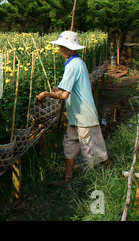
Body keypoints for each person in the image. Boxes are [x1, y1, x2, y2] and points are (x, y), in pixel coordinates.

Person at [35, 31, 109, 187]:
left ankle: (100, 182)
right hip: (75, 116)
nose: (59, 49)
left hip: (84, 117)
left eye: (62, 46)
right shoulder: (74, 63)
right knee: (69, 146)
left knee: (94, 152)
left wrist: (46, 94)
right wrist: (56, 90)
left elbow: (64, 95)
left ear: (69, 48)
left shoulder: (74, 65)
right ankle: (67, 180)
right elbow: (65, 89)